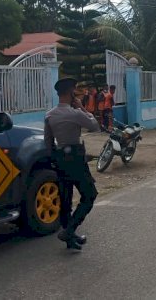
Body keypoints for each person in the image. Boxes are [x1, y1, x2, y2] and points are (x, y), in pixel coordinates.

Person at [44, 78, 100, 250]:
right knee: (89, 194)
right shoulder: (75, 113)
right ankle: (69, 231)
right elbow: (94, 126)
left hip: (60, 158)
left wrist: (54, 160)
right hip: (75, 159)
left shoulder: (49, 115)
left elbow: (48, 143)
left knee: (65, 198)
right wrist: (82, 108)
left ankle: (70, 238)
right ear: (70, 93)